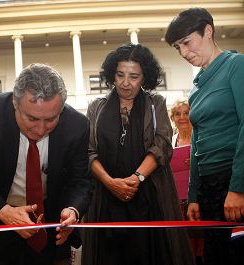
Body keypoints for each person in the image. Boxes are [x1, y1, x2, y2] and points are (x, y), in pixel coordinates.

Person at [165, 7, 244, 265]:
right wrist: (194, 195)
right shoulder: (196, 89)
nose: (183, 53)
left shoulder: (239, 65)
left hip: (241, 180)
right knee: (218, 255)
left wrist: (238, 188)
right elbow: (196, 146)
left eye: (187, 43)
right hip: (210, 186)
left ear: (208, 31)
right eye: (177, 47)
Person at [0, 63, 92, 265]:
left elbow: (80, 181)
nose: (40, 129)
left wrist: (72, 210)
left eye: (51, 119)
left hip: (48, 226)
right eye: (32, 118)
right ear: (15, 103)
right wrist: (5, 212)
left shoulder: (77, 125)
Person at [82, 43, 195, 265]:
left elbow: (162, 144)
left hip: (149, 196)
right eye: (120, 74)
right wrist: (109, 182)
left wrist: (137, 178)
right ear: (112, 75)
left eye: (134, 76)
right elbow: (88, 151)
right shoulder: (96, 107)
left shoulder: (156, 103)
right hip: (106, 198)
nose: (126, 83)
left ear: (145, 78)